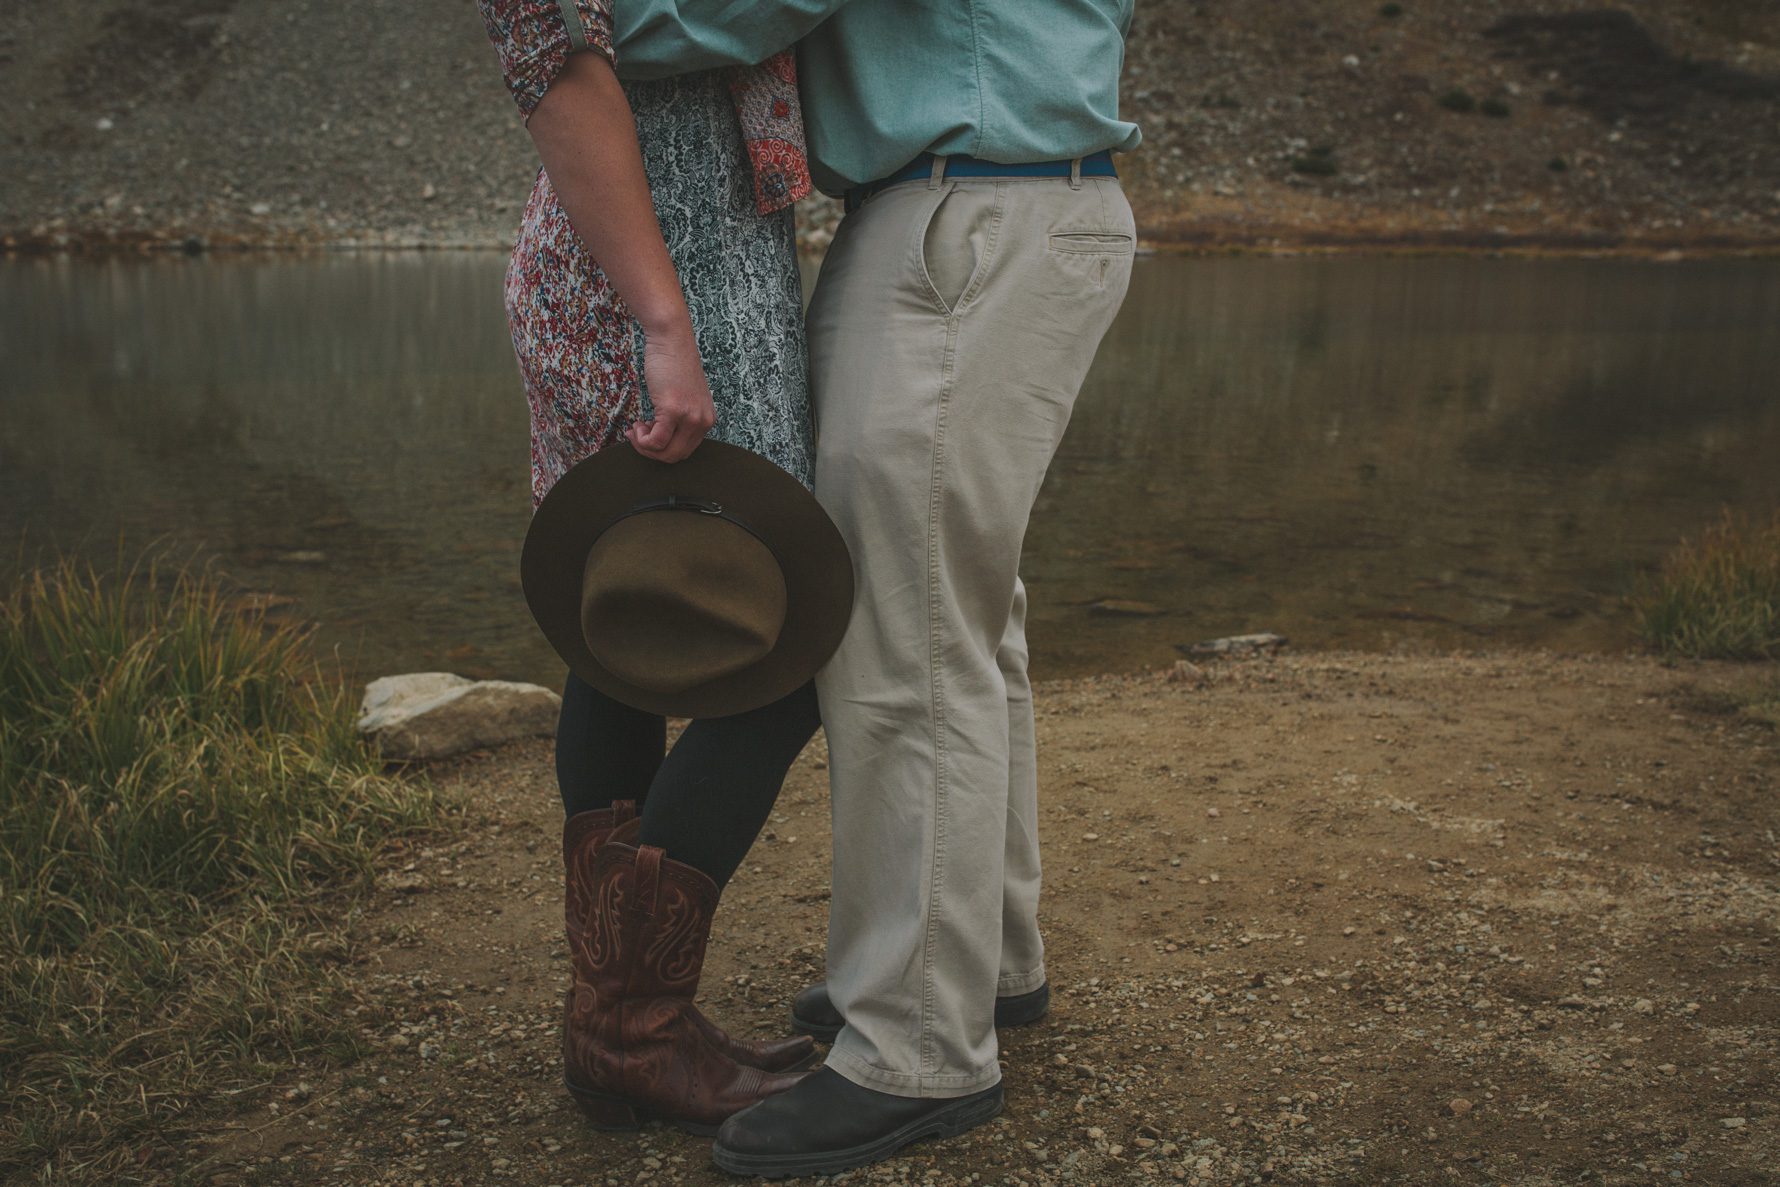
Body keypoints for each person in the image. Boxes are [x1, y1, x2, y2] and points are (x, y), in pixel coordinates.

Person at [612, 0, 1141, 1175]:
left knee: (905, 636)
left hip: (970, 210)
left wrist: (596, 26)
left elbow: (728, 12)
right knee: (965, 615)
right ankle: (987, 960)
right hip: (998, 199)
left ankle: (915, 1048)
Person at [476, 0, 825, 1134]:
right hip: (654, 279)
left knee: (628, 641)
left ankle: (617, 1020)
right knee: (782, 649)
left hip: (688, 262)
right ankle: (630, 1023)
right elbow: (554, 62)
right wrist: (663, 321)